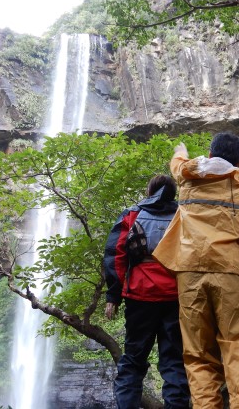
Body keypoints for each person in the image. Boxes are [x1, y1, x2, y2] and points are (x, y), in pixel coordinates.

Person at [152, 132, 239, 409]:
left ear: (211, 155)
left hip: (189, 272)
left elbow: (177, 162)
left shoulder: (187, 174)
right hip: (231, 270)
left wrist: (180, 149)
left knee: (198, 355)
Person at [103, 174, 191, 409]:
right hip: (175, 296)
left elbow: (116, 255)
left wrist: (113, 295)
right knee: (174, 361)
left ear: (149, 191)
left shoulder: (132, 214)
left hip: (140, 296)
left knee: (132, 360)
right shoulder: (185, 215)